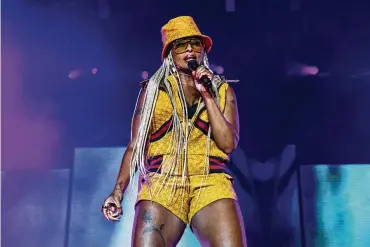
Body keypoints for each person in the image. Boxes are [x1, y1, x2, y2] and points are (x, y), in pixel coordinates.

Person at [101, 16, 247, 247]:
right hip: (162, 183)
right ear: (170, 52)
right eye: (181, 44)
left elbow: (228, 144)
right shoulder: (152, 92)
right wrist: (118, 192)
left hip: (210, 181)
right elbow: (135, 147)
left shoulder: (222, 90)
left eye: (195, 43)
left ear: (203, 49)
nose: (189, 49)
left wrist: (208, 95)